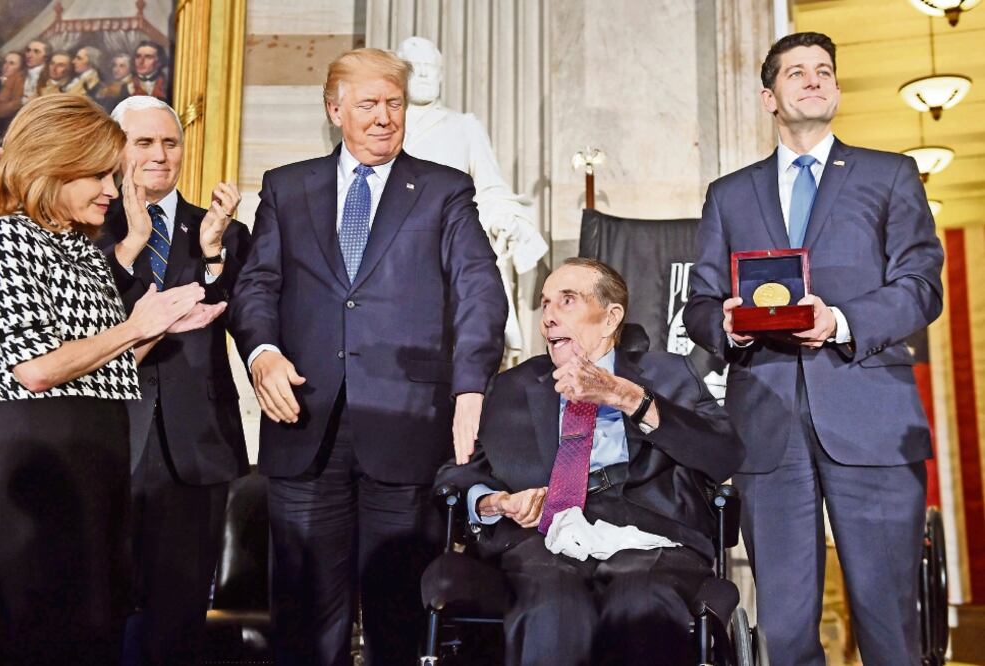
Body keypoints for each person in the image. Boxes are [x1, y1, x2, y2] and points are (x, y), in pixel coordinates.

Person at [228, 47, 507, 665]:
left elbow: (481, 290)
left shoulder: (443, 191)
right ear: (334, 110)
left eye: (394, 104)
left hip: (408, 426)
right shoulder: (287, 186)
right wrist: (262, 353)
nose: (384, 118)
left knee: (399, 618)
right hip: (302, 422)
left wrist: (470, 386)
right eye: (368, 104)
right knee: (303, 622)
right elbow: (256, 285)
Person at [683, 32, 944, 666]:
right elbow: (698, 306)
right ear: (768, 95)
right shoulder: (729, 193)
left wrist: (843, 320)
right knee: (786, 631)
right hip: (768, 428)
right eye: (796, 72)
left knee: (889, 629)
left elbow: (921, 287)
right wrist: (729, 326)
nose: (814, 80)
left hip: (872, 419)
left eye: (824, 70)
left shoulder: (889, 174)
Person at [0, 94, 224, 665]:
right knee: (48, 643)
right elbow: (36, 370)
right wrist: (135, 325)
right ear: (52, 167)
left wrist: (160, 327)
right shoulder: (5, 240)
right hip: (43, 475)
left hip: (101, 471)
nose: (113, 192)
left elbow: (110, 366)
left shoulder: (82, 248)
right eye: (98, 176)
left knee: (100, 637)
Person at [436, 258, 744, 666]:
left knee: (641, 608)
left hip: (649, 536)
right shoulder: (513, 385)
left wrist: (628, 398)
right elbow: (458, 472)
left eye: (567, 301)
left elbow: (724, 454)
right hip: (540, 540)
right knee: (552, 610)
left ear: (610, 317)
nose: (548, 317)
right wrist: (492, 503)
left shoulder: (668, 374)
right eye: (545, 304)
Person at [98, 95, 251, 665]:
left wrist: (212, 257)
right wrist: (127, 243)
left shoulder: (221, 231)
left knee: (179, 614)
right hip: (109, 438)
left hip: (198, 444)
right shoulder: (90, 223)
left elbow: (243, 317)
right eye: (144, 143)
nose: (161, 155)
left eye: (170, 142)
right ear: (117, 150)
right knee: (104, 606)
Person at [396, 36, 548, 357]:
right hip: (392, 255)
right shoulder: (384, 126)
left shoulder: (464, 127)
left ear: (441, 76)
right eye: (415, 68)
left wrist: (505, 218)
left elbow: (490, 188)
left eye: (430, 69)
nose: (423, 75)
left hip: (448, 248)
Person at [0, 52, 24, 139]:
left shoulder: (19, 86)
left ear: (20, 68)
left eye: (12, 63)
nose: (6, 66)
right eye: (5, 62)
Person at [22, 39, 50, 104]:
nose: (29, 55)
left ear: (46, 57)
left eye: (36, 51)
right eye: (28, 50)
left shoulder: (49, 76)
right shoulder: (19, 74)